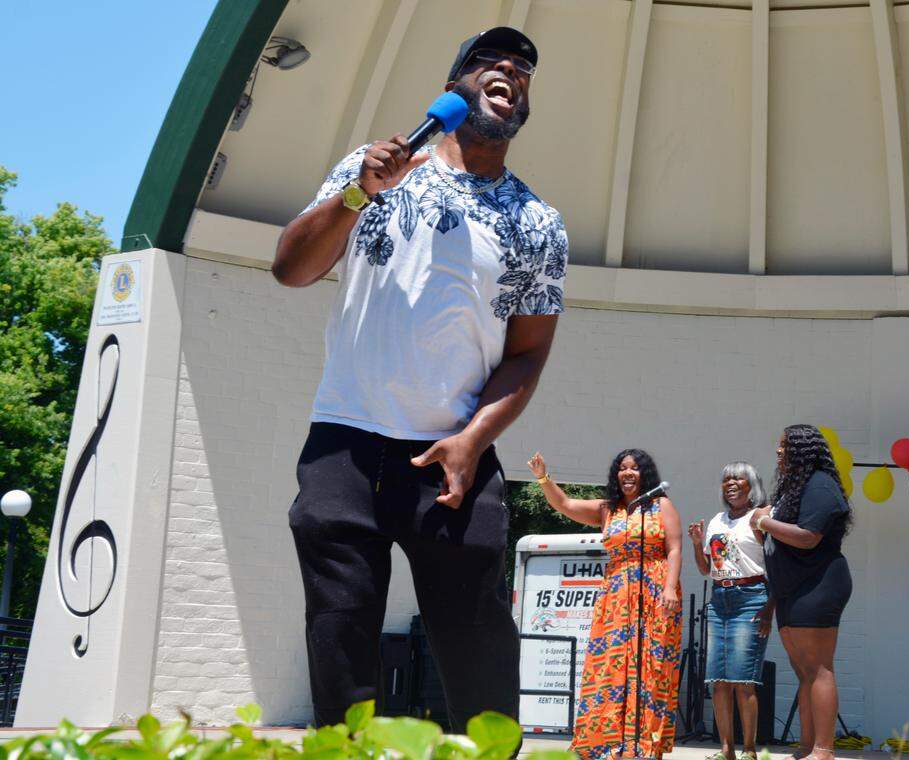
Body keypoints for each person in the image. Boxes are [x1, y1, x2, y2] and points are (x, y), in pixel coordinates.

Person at [274, 26, 567, 727]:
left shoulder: (539, 223)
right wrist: (356, 195)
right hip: (343, 444)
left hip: (451, 460)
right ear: (454, 85)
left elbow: (527, 355)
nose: (510, 70)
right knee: (339, 636)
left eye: (523, 69)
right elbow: (292, 269)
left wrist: (471, 442)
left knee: (478, 649)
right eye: (489, 61)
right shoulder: (373, 169)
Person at [526, 449, 683, 760]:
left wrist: (669, 588)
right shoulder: (606, 509)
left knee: (650, 666)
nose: (628, 473)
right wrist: (544, 477)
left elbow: (675, 547)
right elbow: (565, 504)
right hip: (616, 597)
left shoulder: (660, 505)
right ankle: (609, 743)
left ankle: (645, 745)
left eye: (635, 468)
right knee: (611, 668)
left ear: (645, 474)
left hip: (655, 591)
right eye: (622, 468)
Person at [754, 424, 853, 760]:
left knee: (819, 667)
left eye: (785, 446)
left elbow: (808, 536)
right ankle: (808, 746)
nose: (779, 452)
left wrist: (764, 522)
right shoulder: (794, 490)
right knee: (804, 670)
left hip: (818, 584)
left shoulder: (821, 486)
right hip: (790, 588)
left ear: (804, 451)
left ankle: (824, 749)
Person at [688, 462, 773, 760]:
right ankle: (726, 749)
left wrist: (769, 610)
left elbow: (775, 566)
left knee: (743, 681)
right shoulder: (717, 520)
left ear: (752, 485)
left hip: (751, 597)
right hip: (720, 598)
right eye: (726, 479)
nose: (731, 483)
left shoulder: (761, 517)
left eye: (738, 478)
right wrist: (698, 545)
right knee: (719, 681)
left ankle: (749, 750)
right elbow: (707, 569)